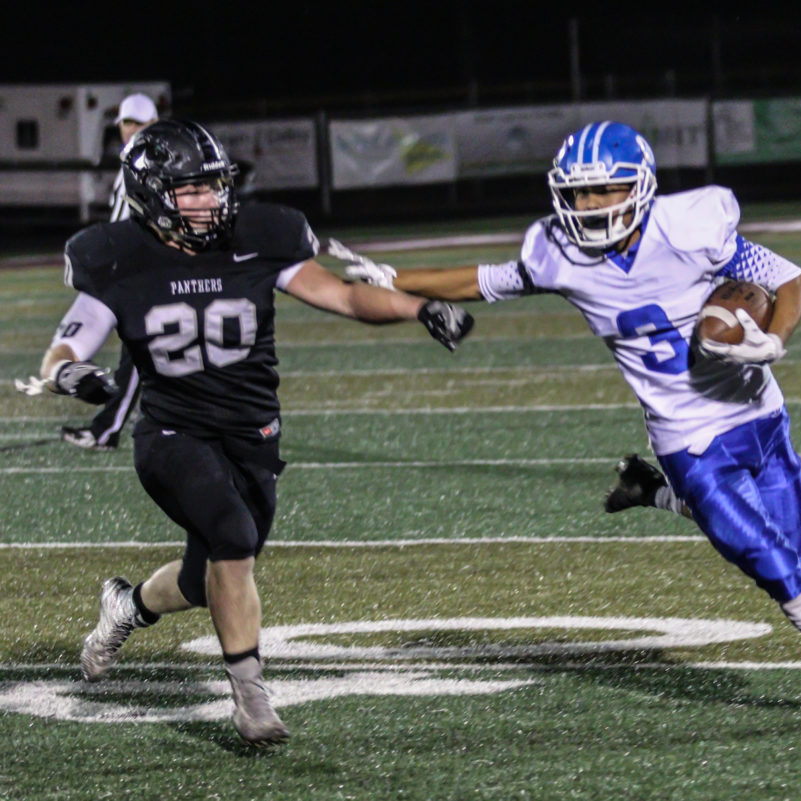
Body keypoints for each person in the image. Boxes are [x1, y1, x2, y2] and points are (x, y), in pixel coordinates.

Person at [333, 120, 801, 724]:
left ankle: (653, 493)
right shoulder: (557, 254)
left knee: (792, 557)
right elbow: (480, 280)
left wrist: (773, 339)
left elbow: (791, 279)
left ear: (639, 187)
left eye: (602, 191)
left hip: (759, 412)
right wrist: (393, 277)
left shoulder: (692, 228)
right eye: (578, 194)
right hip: (688, 439)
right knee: (778, 573)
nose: (587, 207)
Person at [20, 119, 473, 746]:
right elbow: (63, 348)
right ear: (152, 194)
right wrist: (71, 376)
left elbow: (343, 297)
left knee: (210, 573)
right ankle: (251, 695)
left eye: (213, 187)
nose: (210, 201)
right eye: (191, 191)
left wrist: (419, 307)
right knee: (232, 539)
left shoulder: (260, 237)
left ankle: (128, 606)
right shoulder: (116, 255)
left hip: (254, 434)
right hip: (173, 434)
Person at [60, 93, 160, 452]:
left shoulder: (151, 162)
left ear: (153, 124)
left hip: (145, 268)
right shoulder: (132, 160)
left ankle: (107, 430)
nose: (132, 130)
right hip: (135, 266)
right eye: (127, 123)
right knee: (144, 351)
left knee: (136, 350)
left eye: (140, 124)